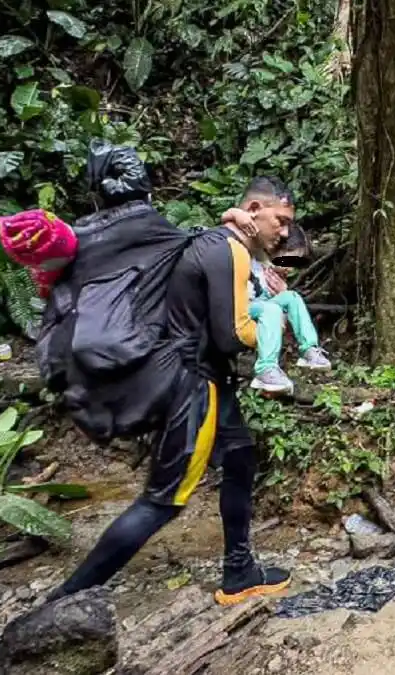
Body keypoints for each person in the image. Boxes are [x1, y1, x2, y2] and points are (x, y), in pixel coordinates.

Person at [46, 176, 299, 607]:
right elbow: (230, 335)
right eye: (282, 220)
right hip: (193, 387)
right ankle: (67, 598)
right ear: (254, 210)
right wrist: (280, 321)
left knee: (240, 459)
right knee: (165, 499)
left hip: (208, 379)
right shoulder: (229, 250)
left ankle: (239, 571)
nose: (286, 232)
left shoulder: (216, 244)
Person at [220, 204, 331, 394]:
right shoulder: (256, 252)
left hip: (260, 306)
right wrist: (238, 214)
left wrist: (282, 294)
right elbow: (227, 222)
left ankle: (309, 349)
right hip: (239, 305)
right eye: (287, 260)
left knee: (292, 297)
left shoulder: (275, 276)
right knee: (271, 309)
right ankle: (265, 369)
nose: (288, 267)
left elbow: (284, 323)